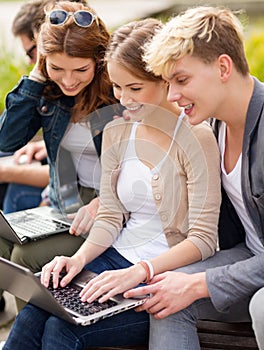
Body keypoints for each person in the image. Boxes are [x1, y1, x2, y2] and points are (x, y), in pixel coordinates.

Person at [2, 17, 221, 350]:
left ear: (164, 80)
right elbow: (111, 214)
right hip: (113, 259)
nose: (124, 99)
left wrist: (140, 271)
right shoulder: (119, 128)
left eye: (135, 89)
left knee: (61, 333)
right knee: (35, 313)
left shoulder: (196, 137)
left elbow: (204, 240)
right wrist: (78, 260)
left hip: (164, 274)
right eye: (117, 87)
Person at [119, 6, 264, 350]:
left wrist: (201, 284)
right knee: (166, 294)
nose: (171, 96)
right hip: (249, 257)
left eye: (181, 80)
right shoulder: (212, 124)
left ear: (223, 67)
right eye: (168, 83)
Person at [0, 1, 117, 310]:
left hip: (106, 204)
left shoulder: (117, 94)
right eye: (56, 68)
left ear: (99, 60)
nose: (68, 80)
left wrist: (104, 202)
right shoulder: (51, 94)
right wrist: (38, 77)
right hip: (64, 201)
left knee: (24, 258)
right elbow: (7, 140)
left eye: (80, 69)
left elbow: (140, 168)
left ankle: (32, 334)